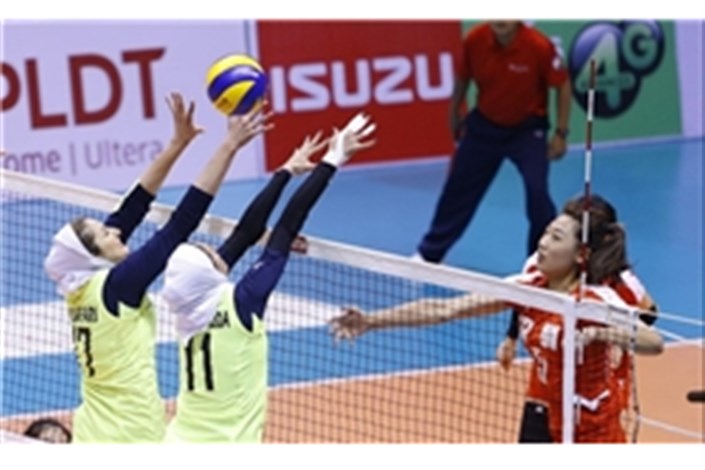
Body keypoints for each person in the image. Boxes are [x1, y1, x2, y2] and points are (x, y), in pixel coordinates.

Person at [330, 194, 663, 443]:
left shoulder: (593, 301)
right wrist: (372, 320)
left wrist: (603, 334)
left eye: (556, 238)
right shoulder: (529, 286)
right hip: (544, 413)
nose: (543, 243)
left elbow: (654, 341)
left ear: (581, 255)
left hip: (593, 431)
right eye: (546, 233)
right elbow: (445, 309)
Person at [43, 93, 272, 443]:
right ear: (92, 255)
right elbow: (181, 223)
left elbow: (131, 208)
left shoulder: (80, 287)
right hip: (132, 436)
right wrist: (228, 146)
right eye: (105, 233)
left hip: (91, 431)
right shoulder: (118, 286)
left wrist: (178, 144)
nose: (115, 231)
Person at [160, 113, 377, 443]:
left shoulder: (186, 308)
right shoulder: (241, 304)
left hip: (178, 441)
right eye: (209, 253)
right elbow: (287, 225)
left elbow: (246, 232)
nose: (216, 250)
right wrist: (333, 158)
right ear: (208, 274)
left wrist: (286, 170)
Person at [495, 195, 659, 442]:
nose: (545, 242)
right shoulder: (540, 264)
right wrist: (511, 336)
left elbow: (650, 314)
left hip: (591, 399)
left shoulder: (620, 280)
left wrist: (612, 333)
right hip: (544, 393)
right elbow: (525, 295)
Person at [415, 20, 572, 263]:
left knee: (537, 191)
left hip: (527, 130)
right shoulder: (475, 39)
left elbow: (563, 85)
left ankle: (540, 264)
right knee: (458, 188)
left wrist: (561, 133)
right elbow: (463, 77)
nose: (501, 20)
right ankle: (429, 255)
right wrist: (454, 111)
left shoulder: (539, 46)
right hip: (485, 127)